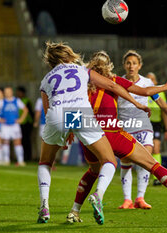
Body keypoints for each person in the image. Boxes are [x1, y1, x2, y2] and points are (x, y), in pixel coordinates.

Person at [66, 51, 167, 224]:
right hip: (111, 132)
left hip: (87, 135)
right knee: (152, 164)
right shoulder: (114, 80)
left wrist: (70, 131)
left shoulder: (81, 82)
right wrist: (166, 86)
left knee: (93, 170)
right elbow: (146, 91)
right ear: (109, 66)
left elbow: (72, 105)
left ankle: (74, 211)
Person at [36, 42, 152, 225]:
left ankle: (44, 205)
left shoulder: (46, 79)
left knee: (45, 162)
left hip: (56, 114)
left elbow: (46, 109)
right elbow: (112, 86)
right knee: (109, 161)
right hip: (80, 113)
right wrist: (137, 103)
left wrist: (64, 130)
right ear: (68, 55)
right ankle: (98, 196)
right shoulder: (81, 69)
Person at [117, 50, 167, 209]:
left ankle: (140, 198)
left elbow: (159, 101)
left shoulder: (147, 83)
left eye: (134, 63)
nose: (131, 66)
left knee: (146, 158)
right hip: (125, 126)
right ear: (124, 65)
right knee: (126, 161)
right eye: (128, 63)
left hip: (143, 125)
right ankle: (127, 200)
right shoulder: (117, 82)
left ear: (140, 65)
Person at [0, 87, 28, 167]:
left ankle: (20, 160)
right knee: (5, 142)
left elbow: (25, 110)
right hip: (5, 125)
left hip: (15, 125)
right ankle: (6, 160)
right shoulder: (2, 102)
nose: (7, 93)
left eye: (9, 92)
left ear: (12, 92)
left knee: (17, 142)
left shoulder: (17, 101)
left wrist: (21, 119)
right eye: (6, 92)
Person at [147, 72, 167, 186]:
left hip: (156, 124)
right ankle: (145, 176)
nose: (150, 81)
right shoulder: (143, 92)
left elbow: (164, 111)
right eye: (148, 79)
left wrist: (166, 129)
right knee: (146, 151)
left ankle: (157, 177)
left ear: (155, 82)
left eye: (152, 79)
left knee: (156, 149)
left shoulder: (160, 93)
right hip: (144, 123)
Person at [16, 86, 34, 161]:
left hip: (26, 123)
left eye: (19, 92)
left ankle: (28, 156)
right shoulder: (16, 101)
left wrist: (32, 123)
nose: (18, 94)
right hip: (18, 123)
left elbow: (30, 112)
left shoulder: (26, 101)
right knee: (20, 140)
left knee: (26, 140)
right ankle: (22, 156)